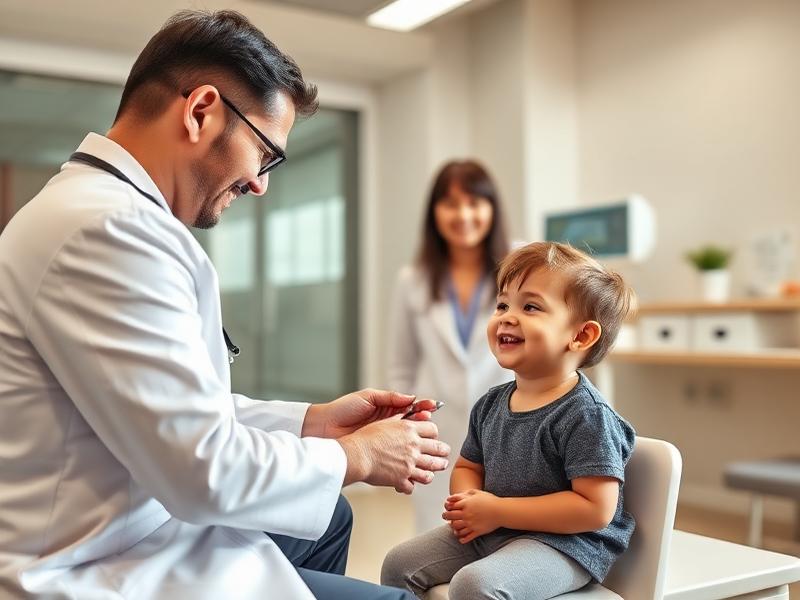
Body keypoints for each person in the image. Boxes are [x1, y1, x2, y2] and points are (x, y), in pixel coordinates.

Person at [0, 10, 450, 600]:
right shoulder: (108, 232)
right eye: (265, 152)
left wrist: (311, 422)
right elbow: (202, 470)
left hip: (133, 521)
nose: (261, 183)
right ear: (201, 111)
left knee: (328, 519)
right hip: (94, 563)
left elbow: (172, 405)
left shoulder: (106, 214)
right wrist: (354, 456)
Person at [381, 241, 637, 599]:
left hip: (563, 545)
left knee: (474, 586)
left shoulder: (586, 415)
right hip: (497, 529)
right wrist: (470, 501)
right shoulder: (490, 404)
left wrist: (497, 510)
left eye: (530, 306)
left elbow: (595, 509)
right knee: (399, 563)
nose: (506, 316)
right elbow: (469, 465)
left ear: (581, 335)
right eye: (502, 304)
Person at [387, 160, 513, 533]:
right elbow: (401, 365)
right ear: (434, 213)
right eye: (451, 204)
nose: (463, 215)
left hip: (508, 422)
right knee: (437, 536)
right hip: (438, 430)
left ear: (492, 208)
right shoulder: (413, 280)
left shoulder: (520, 266)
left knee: (507, 534)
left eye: (475, 202)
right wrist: (406, 428)